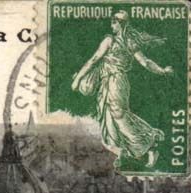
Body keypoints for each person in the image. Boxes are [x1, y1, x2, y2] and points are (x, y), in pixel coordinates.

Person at [71, 10, 173, 168]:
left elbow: (145, 62)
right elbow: (94, 60)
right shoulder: (110, 40)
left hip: (117, 82)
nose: (112, 25)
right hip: (106, 82)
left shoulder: (126, 42)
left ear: (121, 24)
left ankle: (149, 145)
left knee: (119, 116)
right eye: (112, 22)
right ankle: (121, 152)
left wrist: (162, 70)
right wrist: (78, 78)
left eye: (114, 22)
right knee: (108, 118)